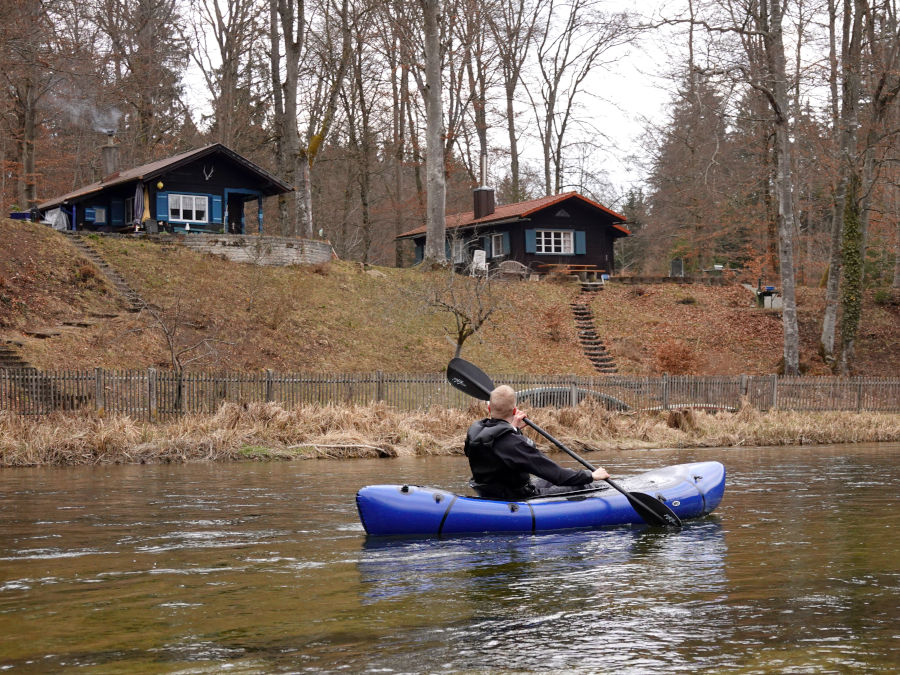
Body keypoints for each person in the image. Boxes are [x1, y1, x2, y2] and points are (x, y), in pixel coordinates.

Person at [464, 384, 609, 500]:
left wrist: (512, 428)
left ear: (489, 408)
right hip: (516, 497)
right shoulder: (514, 443)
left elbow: (498, 450)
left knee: (566, 474)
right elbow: (557, 475)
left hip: (491, 491)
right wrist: (591, 476)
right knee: (581, 485)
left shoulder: (475, 433)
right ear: (514, 411)